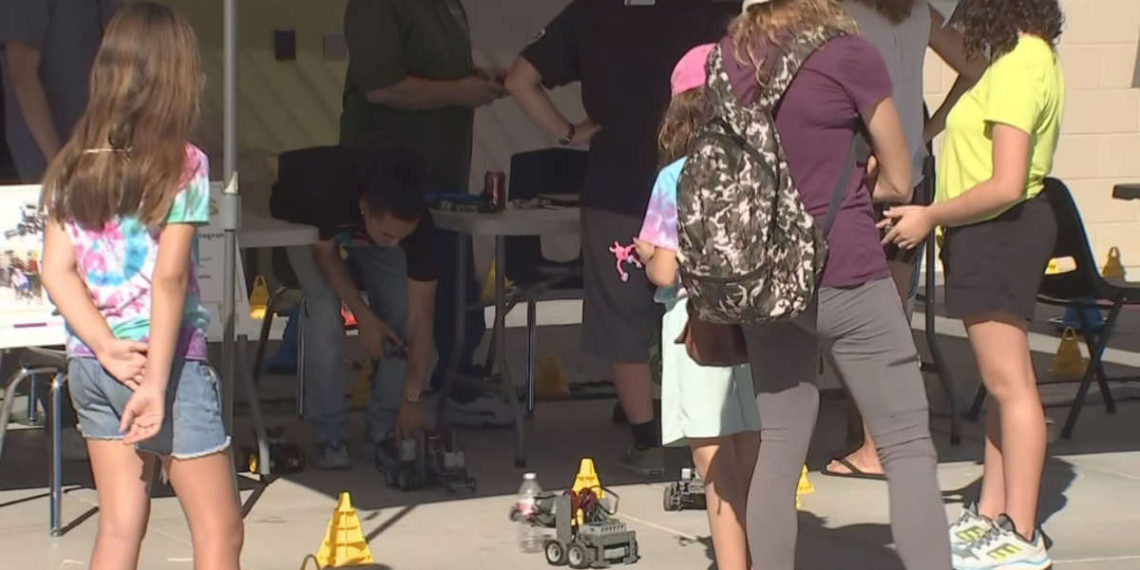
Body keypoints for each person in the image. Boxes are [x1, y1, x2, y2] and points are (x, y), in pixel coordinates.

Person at [720, 1, 951, 569]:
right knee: (906, 444)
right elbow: (902, 176)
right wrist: (857, 185)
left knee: (778, 446)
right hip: (842, 267)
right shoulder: (848, 54)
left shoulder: (733, 57)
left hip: (764, 271)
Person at [39, 4, 242, 569]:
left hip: (92, 362)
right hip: (165, 364)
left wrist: (103, 345)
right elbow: (170, 276)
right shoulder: (183, 163)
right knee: (219, 532)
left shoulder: (71, 165)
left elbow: (56, 270)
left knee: (120, 528)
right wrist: (154, 381)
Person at [505, 0, 736, 477]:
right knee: (709, 306)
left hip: (617, 183)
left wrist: (568, 132)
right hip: (702, 179)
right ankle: (713, 428)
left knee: (620, 317)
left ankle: (646, 440)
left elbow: (517, 80)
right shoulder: (714, 7)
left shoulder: (590, 11)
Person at [881, 0, 1066, 567]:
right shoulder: (1006, 58)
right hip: (981, 234)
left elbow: (1008, 182)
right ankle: (992, 511)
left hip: (998, 232)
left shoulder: (1020, 64)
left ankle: (1022, 532)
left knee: (1013, 387)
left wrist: (930, 215)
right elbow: (953, 53)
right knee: (1000, 385)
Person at [824, 0, 983, 481]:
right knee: (890, 314)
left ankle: (873, 442)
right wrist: (930, 127)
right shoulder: (918, 12)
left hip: (861, 174)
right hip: (908, 170)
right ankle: (880, 437)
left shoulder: (838, 12)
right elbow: (974, 64)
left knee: (859, 315)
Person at [633, 44, 761, 570]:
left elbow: (664, 271)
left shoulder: (676, 177)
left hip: (699, 332)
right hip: (760, 326)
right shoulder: (761, 163)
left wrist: (645, 252)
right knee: (754, 464)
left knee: (718, 476)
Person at [340, 0, 505, 403]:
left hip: (445, 179)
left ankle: (454, 387)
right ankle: (399, 403)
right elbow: (381, 86)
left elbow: (433, 69)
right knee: (404, 304)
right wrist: (459, 91)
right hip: (392, 186)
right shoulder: (376, 8)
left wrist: (472, 81)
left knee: (451, 289)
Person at [1, 0, 118, 460]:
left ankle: (82, 411)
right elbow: (21, 72)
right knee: (52, 286)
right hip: (43, 170)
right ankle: (67, 414)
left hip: (94, 161)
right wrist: (56, 160)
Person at [280, 148, 440, 471]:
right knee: (323, 309)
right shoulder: (325, 189)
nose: (396, 242)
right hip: (307, 225)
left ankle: (383, 428)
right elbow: (327, 258)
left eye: (403, 236)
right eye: (389, 233)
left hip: (356, 230)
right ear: (365, 208)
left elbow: (421, 319)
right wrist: (364, 319)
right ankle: (329, 434)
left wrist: (412, 397)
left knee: (400, 305)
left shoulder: (419, 230)